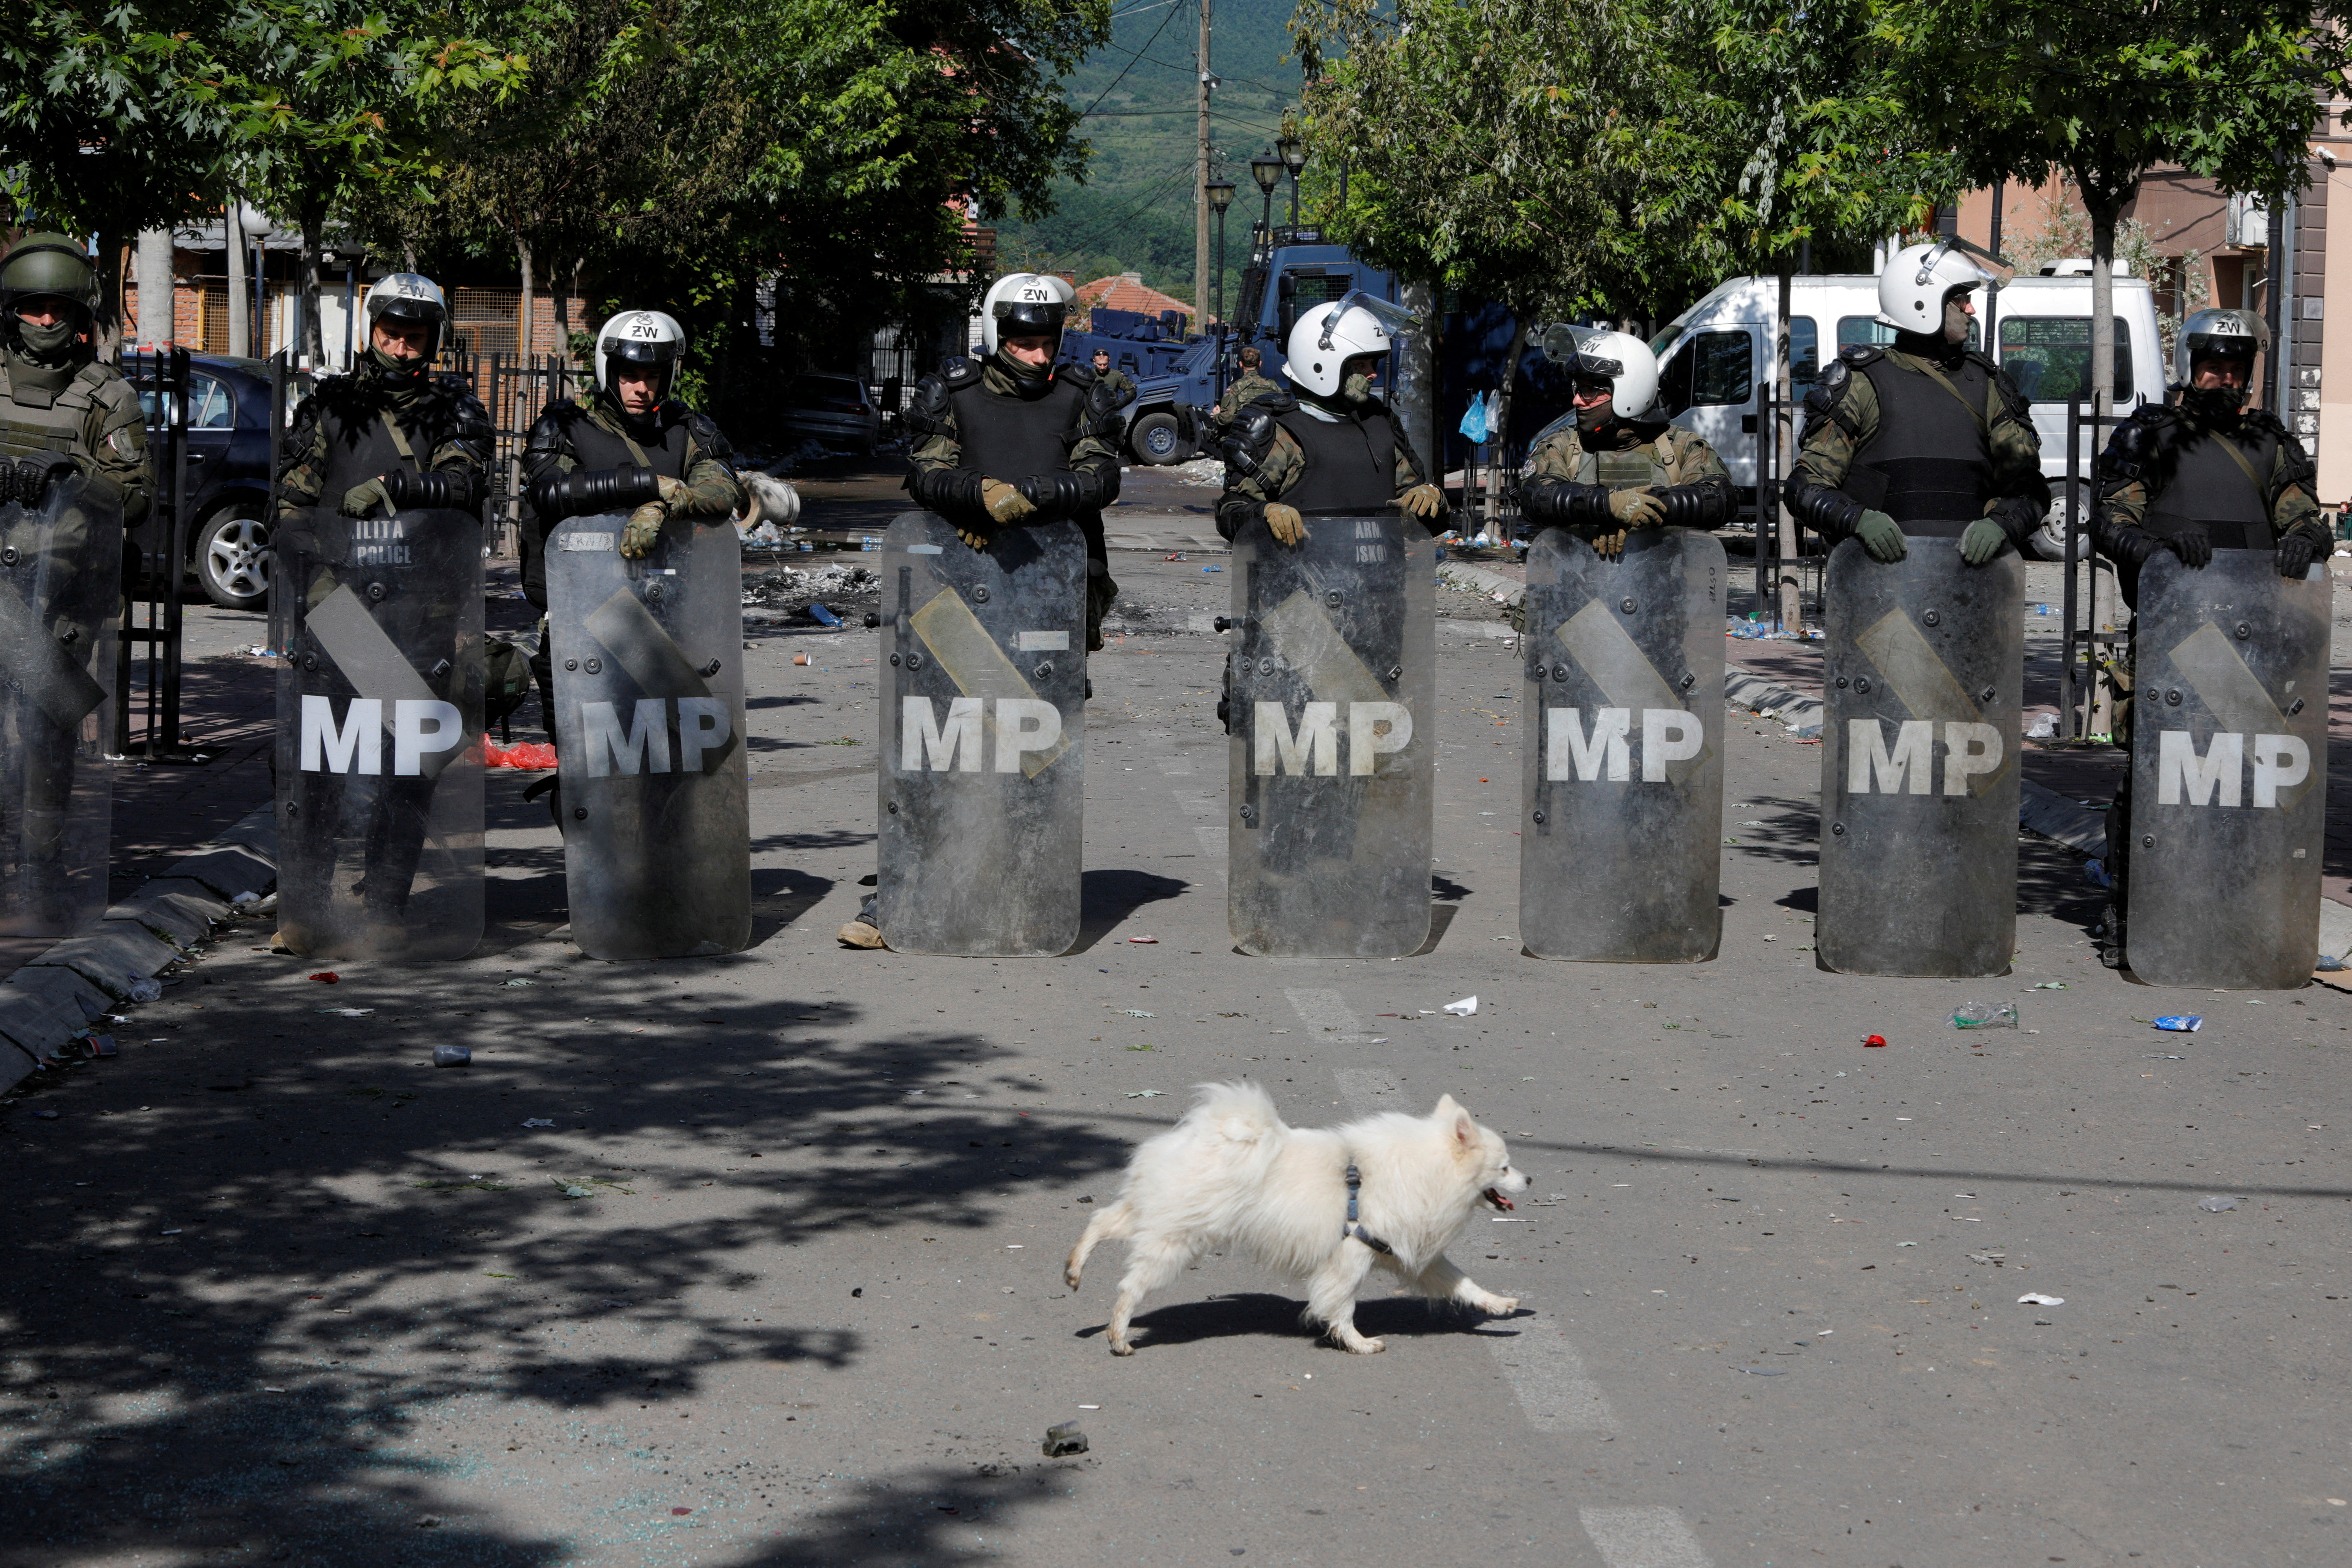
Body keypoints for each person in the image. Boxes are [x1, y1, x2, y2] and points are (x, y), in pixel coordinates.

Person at [839, 272, 1120, 949]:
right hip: (957, 595)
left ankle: (1026, 890)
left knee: (1035, 751)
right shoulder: (954, 392)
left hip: (1053, 593)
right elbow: (923, 472)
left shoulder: (1083, 397)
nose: (1038, 355)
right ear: (998, 337)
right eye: (1024, 342)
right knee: (942, 749)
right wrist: (973, 495)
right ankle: (907, 897)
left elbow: (1102, 476)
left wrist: (1033, 495)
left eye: (1047, 341)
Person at [2089, 307, 2329, 969]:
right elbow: (2109, 519)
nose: (2223, 375)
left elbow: (2304, 516)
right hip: (2176, 641)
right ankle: (2130, 913)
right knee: (2157, 780)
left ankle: (2240, 909)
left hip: (2256, 643)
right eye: (2212, 363)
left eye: (2235, 365)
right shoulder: (2151, 436)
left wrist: (2308, 538)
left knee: (2248, 784)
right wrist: (2158, 546)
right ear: (2187, 365)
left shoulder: (2271, 443)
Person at [274, 272, 488, 944]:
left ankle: (385, 908)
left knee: (406, 767)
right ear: (370, 332)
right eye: (390, 334)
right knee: (321, 767)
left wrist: (397, 484)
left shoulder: (454, 406)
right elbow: (289, 504)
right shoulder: (330, 405)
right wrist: (317, 592)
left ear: (433, 340)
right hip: (338, 611)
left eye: (414, 337)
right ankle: (307, 911)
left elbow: (465, 480)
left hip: (419, 611)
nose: (400, 348)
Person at [0, 232, 151, 933]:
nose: (46, 321)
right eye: (33, 308)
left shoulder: (106, 395)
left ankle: (42, 874)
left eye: (57, 307)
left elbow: (137, 497)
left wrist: (75, 476)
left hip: (63, 596)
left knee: (47, 737)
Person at [520, 308, 746, 738]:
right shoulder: (566, 426)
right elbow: (550, 490)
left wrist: (663, 506)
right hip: (584, 619)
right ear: (610, 370)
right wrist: (646, 485)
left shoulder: (688, 428)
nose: (642, 388)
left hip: (670, 621)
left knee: (679, 766)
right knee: (582, 771)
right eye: (629, 375)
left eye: (652, 375)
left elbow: (721, 491)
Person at [1784, 238, 2047, 564]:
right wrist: (1856, 518)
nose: (1971, 309)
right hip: (1880, 586)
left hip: (1970, 587)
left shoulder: (1988, 385)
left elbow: (2030, 489)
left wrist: (2002, 523)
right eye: (1960, 299)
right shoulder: (1862, 385)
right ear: (1921, 302)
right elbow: (1805, 487)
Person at [1214, 297, 1444, 546]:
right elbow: (1232, 512)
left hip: (1379, 580)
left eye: (1373, 363)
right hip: (1296, 581)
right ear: (1321, 364)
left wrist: (1432, 497)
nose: (1373, 373)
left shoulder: (1381, 424)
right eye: (1360, 364)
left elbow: (1416, 518)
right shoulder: (1279, 431)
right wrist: (1265, 513)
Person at [1518, 326, 1732, 558]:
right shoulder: (1564, 444)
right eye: (1577, 388)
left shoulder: (1681, 446)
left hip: (1666, 587)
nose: (1577, 400)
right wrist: (1607, 505)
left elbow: (1720, 498)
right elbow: (1535, 495)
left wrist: (1647, 507)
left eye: (1589, 390)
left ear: (1631, 391)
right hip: (1577, 585)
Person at [1089, 348, 1137, 412]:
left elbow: (1132, 391)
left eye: (1105, 364)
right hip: (1090, 414)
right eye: (1099, 364)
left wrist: (1118, 405)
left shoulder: (1116, 375)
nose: (1102, 367)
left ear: (1109, 361)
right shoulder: (1089, 375)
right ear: (1094, 362)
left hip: (1110, 413)